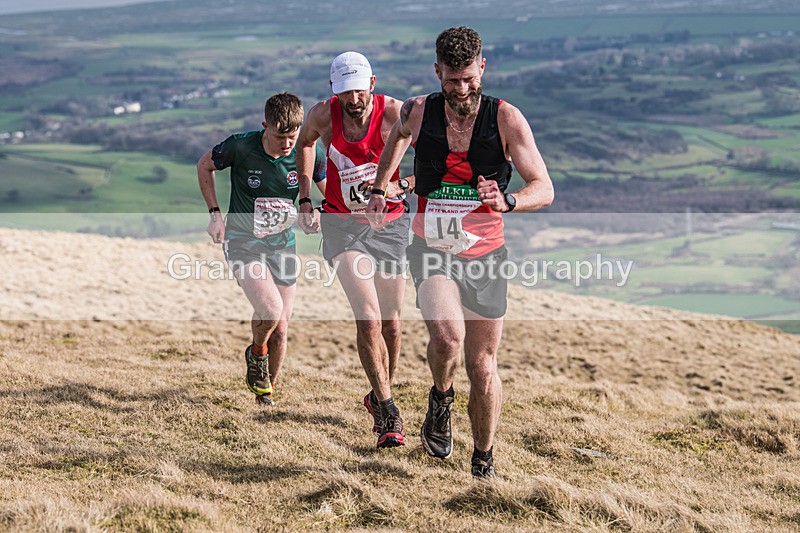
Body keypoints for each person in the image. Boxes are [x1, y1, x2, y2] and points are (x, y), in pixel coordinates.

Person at [367, 27, 554, 477]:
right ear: (438, 73)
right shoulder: (418, 110)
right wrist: (380, 187)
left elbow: (543, 188)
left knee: (483, 366)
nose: (463, 89)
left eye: (470, 79)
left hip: (487, 254)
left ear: (482, 69)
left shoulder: (506, 120)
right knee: (448, 338)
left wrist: (508, 201)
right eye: (453, 81)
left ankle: (482, 460)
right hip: (432, 246)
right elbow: (397, 138)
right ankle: (441, 396)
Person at [295, 51, 414, 448]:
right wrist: (306, 198)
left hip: (390, 224)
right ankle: (388, 413)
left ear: (373, 84)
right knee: (369, 318)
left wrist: (403, 185)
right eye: (345, 92)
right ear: (335, 89)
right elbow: (305, 144)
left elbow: (435, 160)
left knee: (392, 325)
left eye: (359, 90)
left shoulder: (397, 112)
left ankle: (381, 395)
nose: (354, 100)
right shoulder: (322, 116)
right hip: (342, 225)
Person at [198, 92, 326, 405]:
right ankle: (256, 353)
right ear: (264, 125)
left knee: (282, 328)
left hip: (283, 245)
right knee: (270, 310)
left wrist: (319, 212)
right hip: (244, 241)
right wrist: (215, 216)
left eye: (293, 137)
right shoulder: (240, 146)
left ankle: (265, 392)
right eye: (280, 136)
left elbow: (328, 192)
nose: (287, 144)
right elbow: (204, 166)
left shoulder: (309, 152)